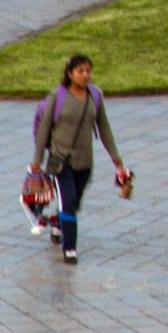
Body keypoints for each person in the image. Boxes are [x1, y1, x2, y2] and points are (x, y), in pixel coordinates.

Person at [29, 53, 129, 264]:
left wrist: (116, 157)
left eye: (88, 71)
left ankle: (57, 223)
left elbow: (104, 127)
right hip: (60, 161)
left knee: (74, 204)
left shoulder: (95, 95)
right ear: (70, 73)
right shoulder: (57, 97)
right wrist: (37, 160)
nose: (85, 75)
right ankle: (70, 248)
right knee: (67, 202)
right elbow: (44, 129)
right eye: (80, 71)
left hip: (85, 162)